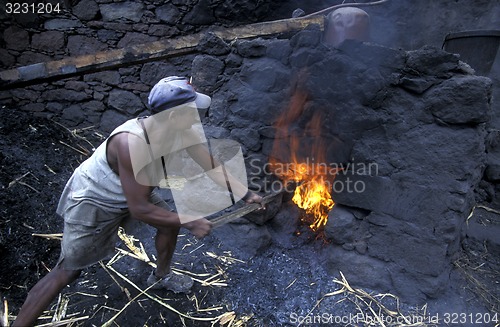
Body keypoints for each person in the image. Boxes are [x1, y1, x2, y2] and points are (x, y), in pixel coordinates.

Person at [13, 76, 263, 326]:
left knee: (169, 224)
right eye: (193, 109)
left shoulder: (182, 130)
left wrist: (245, 193)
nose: (198, 113)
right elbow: (140, 209)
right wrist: (190, 221)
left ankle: (161, 277)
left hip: (135, 193)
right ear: (175, 116)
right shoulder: (132, 143)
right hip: (95, 198)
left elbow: (209, 164)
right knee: (68, 270)